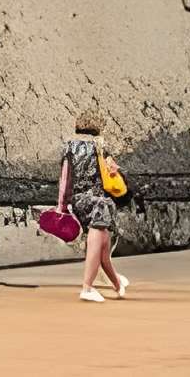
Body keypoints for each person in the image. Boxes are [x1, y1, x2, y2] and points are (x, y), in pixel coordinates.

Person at [55, 109, 128, 301]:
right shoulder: (101, 147)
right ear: (98, 128)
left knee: (102, 247)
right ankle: (87, 288)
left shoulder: (68, 147)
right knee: (100, 243)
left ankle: (117, 284)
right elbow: (112, 175)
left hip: (79, 201)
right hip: (100, 202)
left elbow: (65, 179)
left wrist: (61, 207)